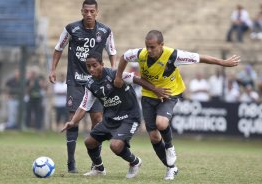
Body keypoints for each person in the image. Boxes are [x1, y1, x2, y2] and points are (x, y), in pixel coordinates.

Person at [114, 30, 240, 180]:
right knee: (154, 137)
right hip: (149, 95)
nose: (149, 50)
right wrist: (118, 76)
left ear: (161, 45)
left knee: (161, 123)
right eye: (147, 46)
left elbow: (200, 58)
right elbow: (124, 57)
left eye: (152, 47)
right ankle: (171, 168)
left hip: (169, 93)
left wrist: (223, 62)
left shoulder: (174, 55)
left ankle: (169, 146)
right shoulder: (140, 53)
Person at [61, 52, 168, 178]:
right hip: (110, 119)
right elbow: (84, 106)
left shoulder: (116, 75)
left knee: (115, 145)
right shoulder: (90, 85)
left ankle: (135, 162)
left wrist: (155, 90)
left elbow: (138, 80)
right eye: (88, 66)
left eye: (94, 65)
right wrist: (73, 122)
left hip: (129, 117)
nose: (91, 69)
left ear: (102, 64)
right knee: (89, 142)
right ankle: (99, 169)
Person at [49, 0, 117, 173]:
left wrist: (113, 74)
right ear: (81, 11)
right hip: (76, 81)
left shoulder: (105, 31)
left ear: (96, 12)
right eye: (86, 11)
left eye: (91, 11)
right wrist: (53, 69)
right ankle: (71, 163)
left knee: (98, 120)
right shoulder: (71, 29)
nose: (88, 14)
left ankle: (96, 164)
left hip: (97, 83)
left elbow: (112, 53)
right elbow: (58, 49)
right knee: (73, 120)